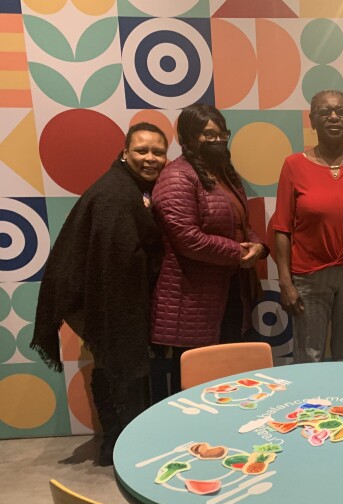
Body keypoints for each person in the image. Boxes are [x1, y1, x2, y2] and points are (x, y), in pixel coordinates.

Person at [31, 122, 169, 465]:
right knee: (126, 372)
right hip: (115, 304)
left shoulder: (128, 188)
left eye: (158, 151)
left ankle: (112, 445)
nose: (150, 158)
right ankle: (129, 450)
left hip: (108, 302)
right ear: (124, 153)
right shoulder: (117, 195)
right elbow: (117, 260)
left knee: (109, 371)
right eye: (141, 150)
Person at [150, 103, 268, 401]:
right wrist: (238, 253)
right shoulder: (176, 176)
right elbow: (187, 238)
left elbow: (241, 224)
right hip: (192, 299)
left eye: (222, 133)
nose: (217, 140)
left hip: (228, 293)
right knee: (195, 388)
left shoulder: (225, 174)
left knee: (231, 382)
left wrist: (258, 246)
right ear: (188, 139)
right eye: (208, 134)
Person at [271, 90, 343, 362]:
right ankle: (311, 406)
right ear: (312, 120)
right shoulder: (293, 165)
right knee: (309, 357)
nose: (333, 117)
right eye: (324, 112)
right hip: (308, 278)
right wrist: (285, 283)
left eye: (340, 111)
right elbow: (282, 228)